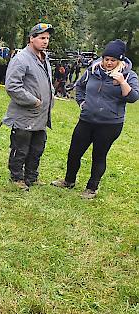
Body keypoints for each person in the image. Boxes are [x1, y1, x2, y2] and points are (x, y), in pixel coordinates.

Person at [51, 39, 139, 198]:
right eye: (107, 59)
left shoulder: (129, 75)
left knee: (99, 155)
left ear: (120, 60)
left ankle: (92, 188)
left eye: (113, 60)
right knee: (74, 152)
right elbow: (80, 86)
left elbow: (133, 97)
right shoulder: (93, 70)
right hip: (87, 119)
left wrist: (121, 82)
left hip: (109, 124)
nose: (109, 63)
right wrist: (82, 102)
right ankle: (69, 181)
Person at [2, 23, 55, 191]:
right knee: (21, 148)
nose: (45, 41)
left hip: (41, 115)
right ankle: (17, 177)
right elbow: (12, 86)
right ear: (31, 38)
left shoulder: (44, 58)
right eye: (41, 38)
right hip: (25, 114)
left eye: (47, 38)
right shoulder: (21, 59)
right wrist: (33, 100)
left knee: (37, 148)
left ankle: (31, 176)